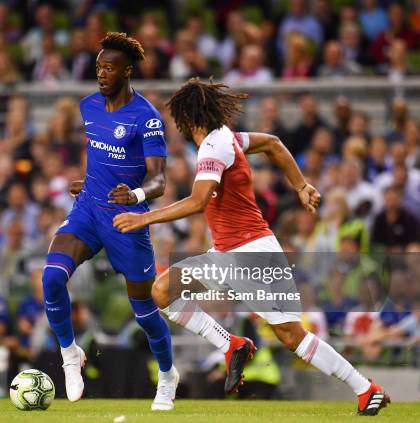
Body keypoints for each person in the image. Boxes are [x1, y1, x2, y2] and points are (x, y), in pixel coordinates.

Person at [113, 78, 390, 416]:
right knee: (162, 290)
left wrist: (144, 219)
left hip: (253, 253)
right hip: (228, 254)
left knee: (292, 337)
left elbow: (199, 200)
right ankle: (230, 343)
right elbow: (273, 143)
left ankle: (366, 389)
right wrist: (300, 185)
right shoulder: (228, 138)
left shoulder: (214, 146)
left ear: (188, 118)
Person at [41, 32, 176, 410]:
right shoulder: (88, 106)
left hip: (125, 219)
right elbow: (104, 159)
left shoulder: (147, 118)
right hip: (87, 209)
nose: (101, 74)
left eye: (109, 67)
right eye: (98, 67)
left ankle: (167, 376)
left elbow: (159, 181)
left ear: (127, 71)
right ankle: (70, 354)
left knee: (146, 312)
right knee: (51, 277)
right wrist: (88, 182)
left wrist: (134, 196)